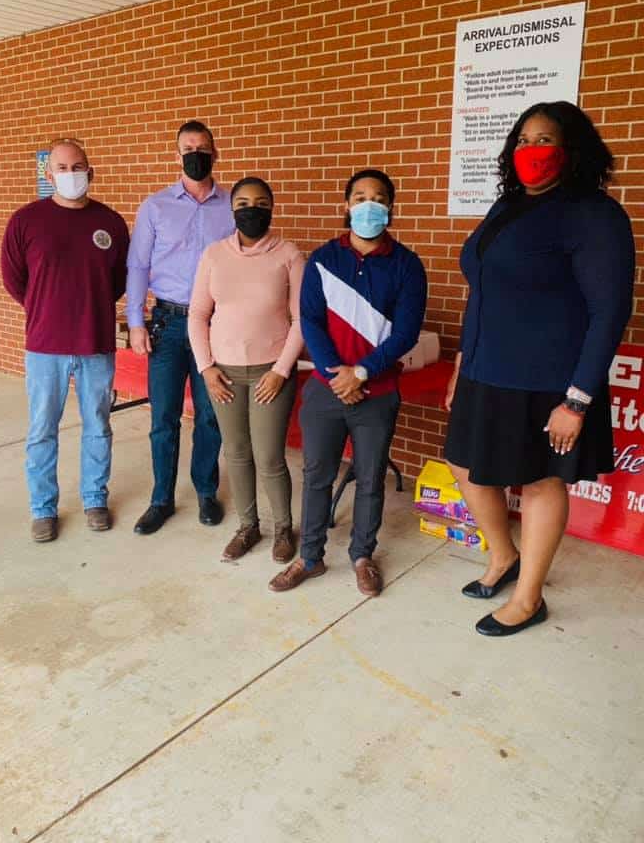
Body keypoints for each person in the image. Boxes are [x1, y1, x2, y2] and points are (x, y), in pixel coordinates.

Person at [444, 101, 635, 637]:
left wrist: (577, 399)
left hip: (547, 381)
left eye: (544, 139)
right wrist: (462, 363)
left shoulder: (594, 214)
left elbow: (609, 312)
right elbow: (480, 292)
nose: (531, 150)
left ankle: (529, 598)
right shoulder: (507, 206)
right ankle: (504, 556)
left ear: (572, 148)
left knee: (538, 483)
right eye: (523, 140)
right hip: (486, 369)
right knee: (463, 463)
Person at [269, 169, 427, 597]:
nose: (368, 205)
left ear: (390, 208)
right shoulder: (322, 260)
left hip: (377, 391)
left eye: (378, 198)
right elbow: (311, 323)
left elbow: (406, 333)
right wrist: (338, 374)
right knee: (317, 475)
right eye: (360, 197)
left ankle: (362, 555)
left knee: (371, 478)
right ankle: (310, 556)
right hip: (325, 388)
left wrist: (360, 373)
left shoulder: (407, 265)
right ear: (346, 205)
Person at [1, 138, 129, 542]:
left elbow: (118, 281)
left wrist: (85, 307)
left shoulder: (110, 222)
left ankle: (94, 500)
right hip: (44, 347)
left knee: (98, 426)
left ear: (91, 171)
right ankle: (43, 508)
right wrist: (47, 308)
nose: (71, 174)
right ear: (48, 173)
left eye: (78, 167)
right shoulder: (25, 221)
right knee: (42, 429)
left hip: (95, 343)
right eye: (62, 167)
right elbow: (14, 279)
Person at [188, 177, 305, 563]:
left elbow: (302, 319)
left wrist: (281, 371)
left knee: (270, 456)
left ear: (271, 207)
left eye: (259, 202)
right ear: (232, 208)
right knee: (236, 453)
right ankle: (248, 526)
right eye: (241, 202)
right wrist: (206, 368)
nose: (250, 209)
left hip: (271, 372)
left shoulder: (288, 254)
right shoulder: (214, 255)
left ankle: (283, 528)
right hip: (224, 373)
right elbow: (198, 315)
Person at [126, 121, 234, 534]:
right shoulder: (154, 207)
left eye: (203, 147)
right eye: (188, 148)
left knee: (210, 414)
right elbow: (137, 265)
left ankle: (206, 491)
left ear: (215, 152)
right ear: (176, 156)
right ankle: (161, 499)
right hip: (168, 323)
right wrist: (136, 322)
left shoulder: (231, 205)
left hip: (216, 325)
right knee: (164, 416)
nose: (196, 154)